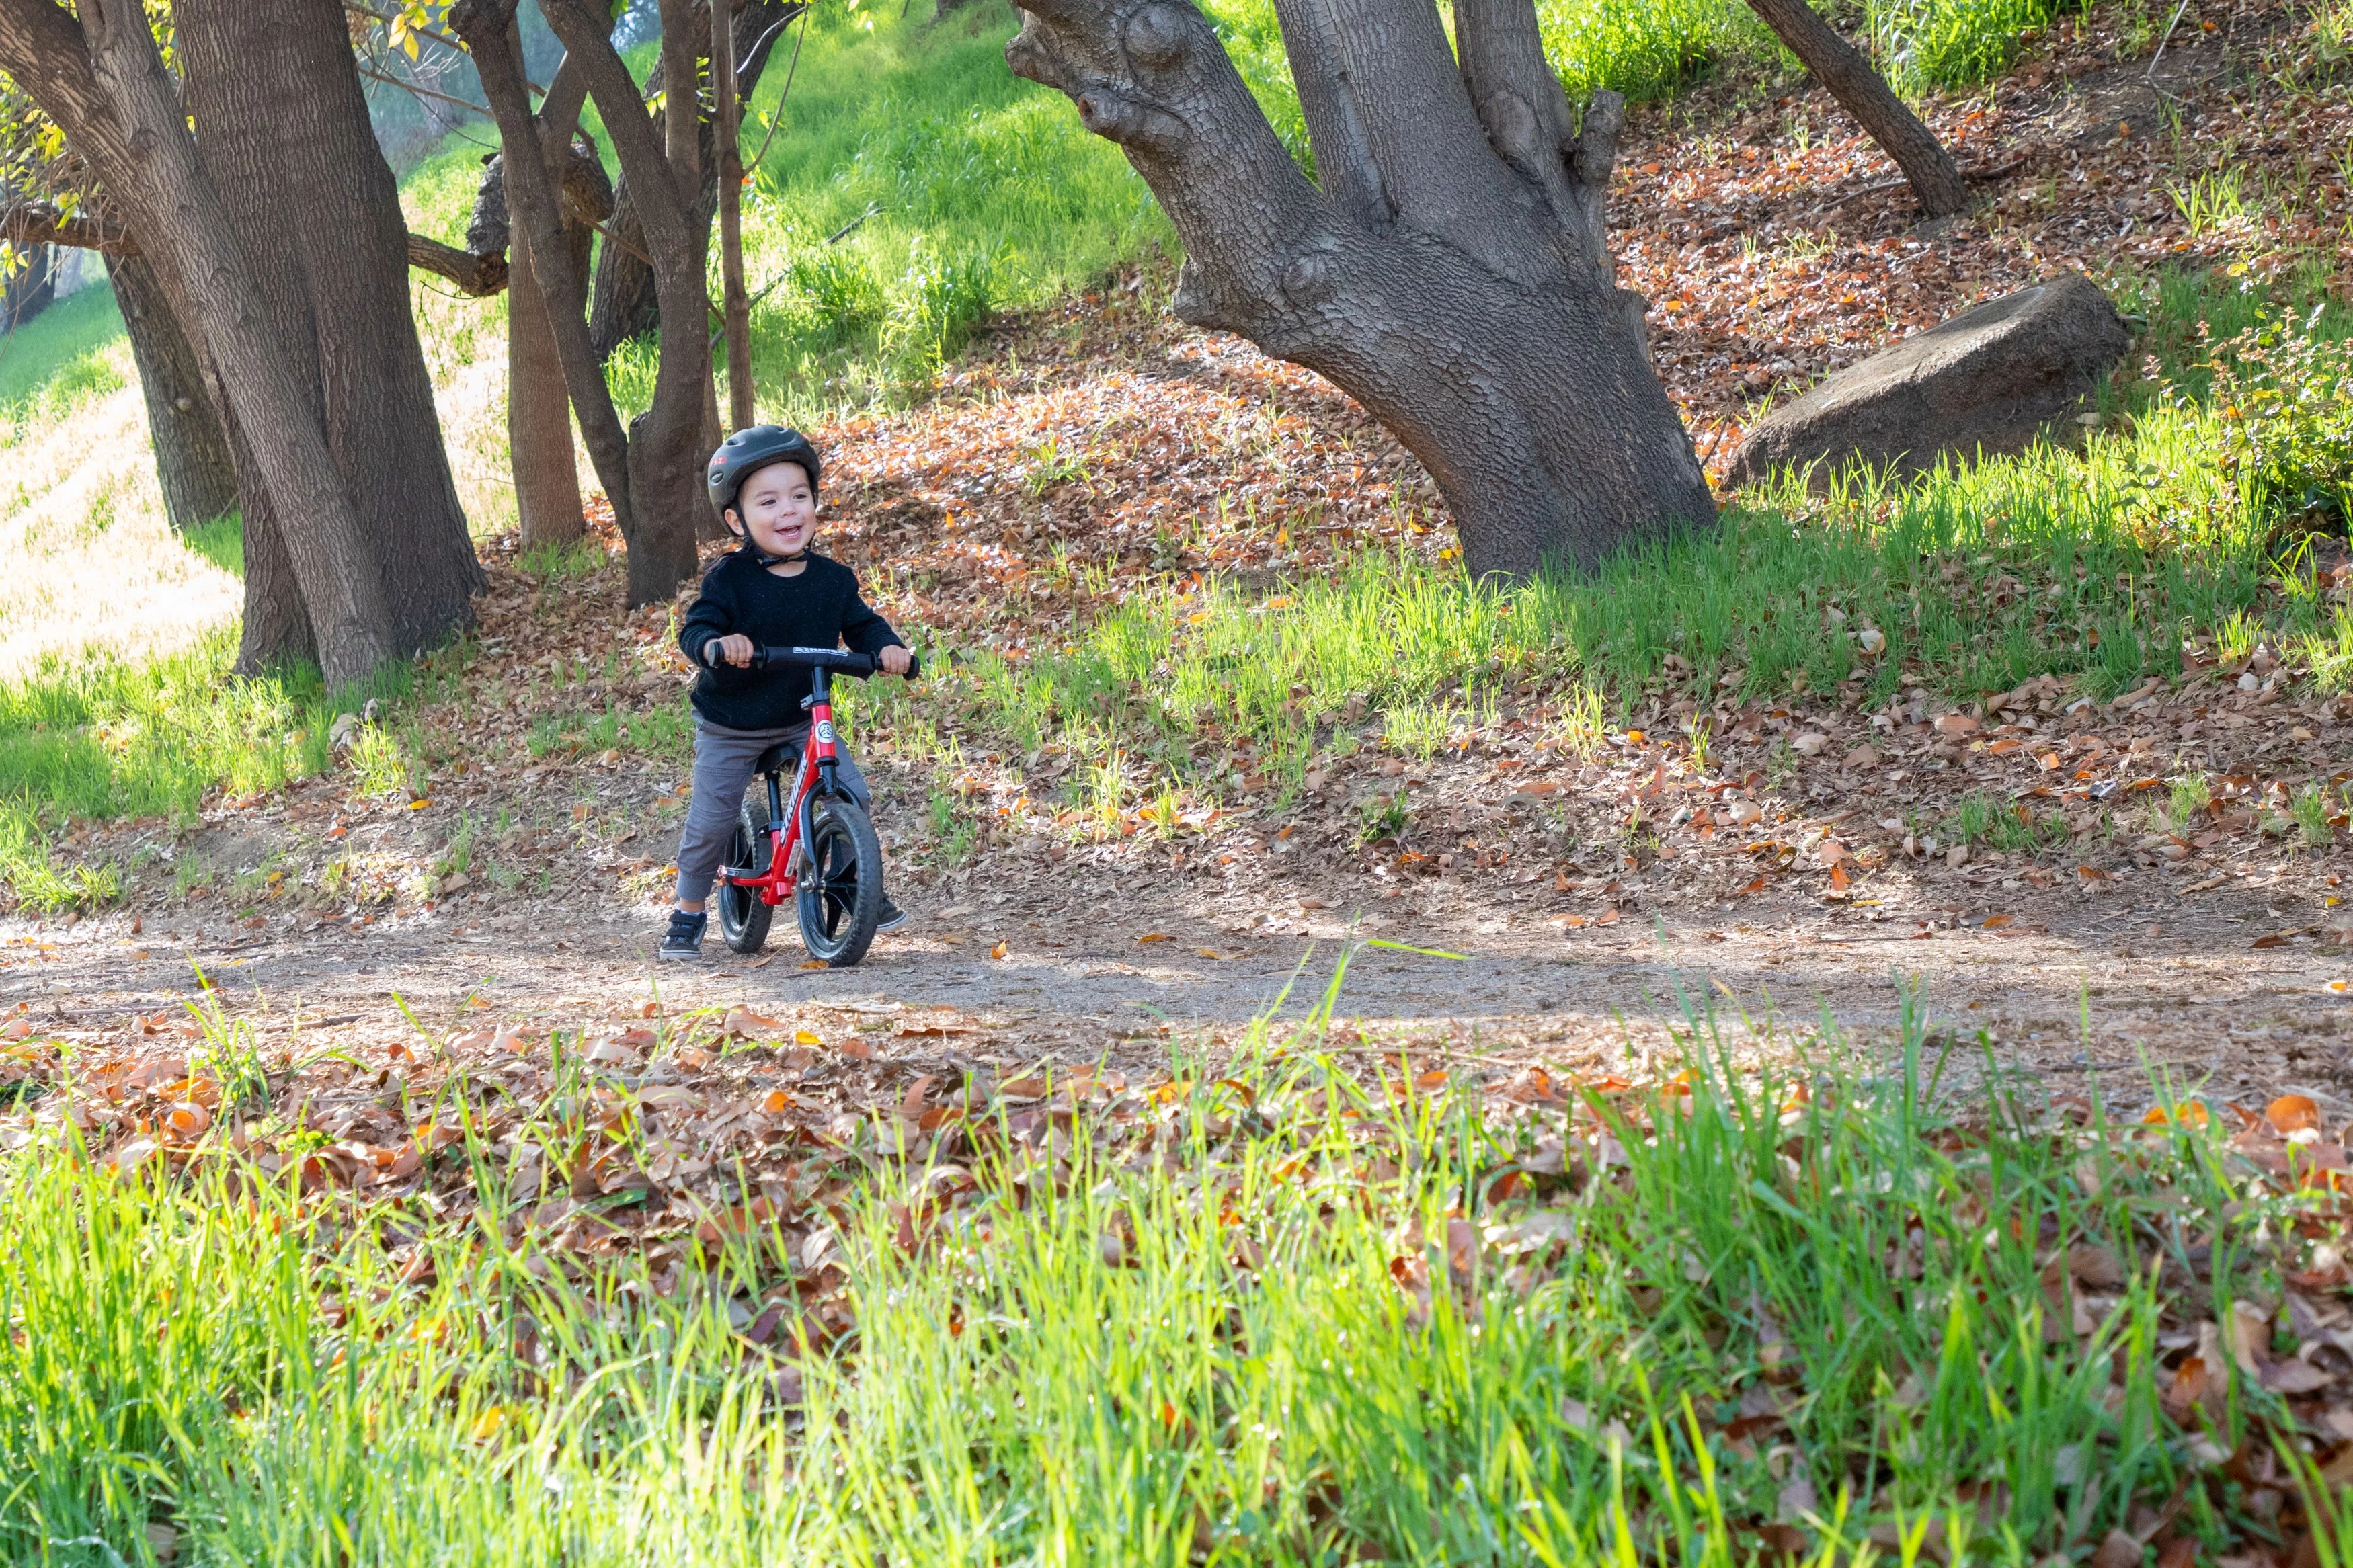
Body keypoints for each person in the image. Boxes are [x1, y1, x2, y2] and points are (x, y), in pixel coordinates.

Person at [660, 425, 911, 960]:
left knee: (850, 792)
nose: (788, 511)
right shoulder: (729, 579)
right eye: (769, 501)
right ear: (737, 519)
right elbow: (697, 627)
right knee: (713, 818)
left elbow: (864, 627)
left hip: (802, 717)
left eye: (800, 496)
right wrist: (716, 644)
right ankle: (687, 911)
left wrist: (888, 649)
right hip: (732, 721)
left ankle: (853, 881)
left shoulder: (833, 580)